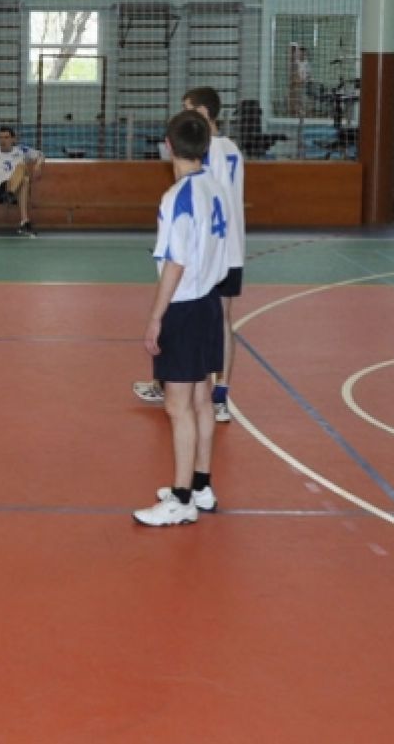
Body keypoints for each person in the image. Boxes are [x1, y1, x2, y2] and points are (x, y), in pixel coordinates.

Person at [133, 110, 233, 527]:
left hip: (185, 305)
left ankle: (180, 499)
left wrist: (156, 317)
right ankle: (201, 485)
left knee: (177, 407)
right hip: (209, 301)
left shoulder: (178, 196)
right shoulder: (215, 187)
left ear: (168, 146)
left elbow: (175, 263)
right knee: (201, 399)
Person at [134, 88, 246, 423]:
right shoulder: (233, 149)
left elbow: (200, 198)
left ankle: (182, 386)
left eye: (188, 108)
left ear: (203, 112)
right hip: (230, 245)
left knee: (193, 317)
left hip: (208, 251)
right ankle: (218, 394)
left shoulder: (205, 154)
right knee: (221, 321)